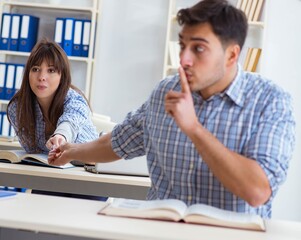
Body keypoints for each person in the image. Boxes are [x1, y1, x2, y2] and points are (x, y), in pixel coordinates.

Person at [49, 0, 295, 218]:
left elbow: (257, 191)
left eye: (198, 48)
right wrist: (71, 151)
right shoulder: (165, 92)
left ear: (232, 55)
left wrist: (194, 129)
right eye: (182, 45)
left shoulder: (271, 101)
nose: (184, 58)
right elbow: (118, 143)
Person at [7, 38, 104, 200]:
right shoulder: (18, 107)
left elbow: (70, 122)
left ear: (62, 76)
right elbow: (32, 151)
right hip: (52, 177)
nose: (42, 77)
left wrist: (60, 137)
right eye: (36, 69)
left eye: (51, 70)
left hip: (88, 179)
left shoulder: (74, 99)